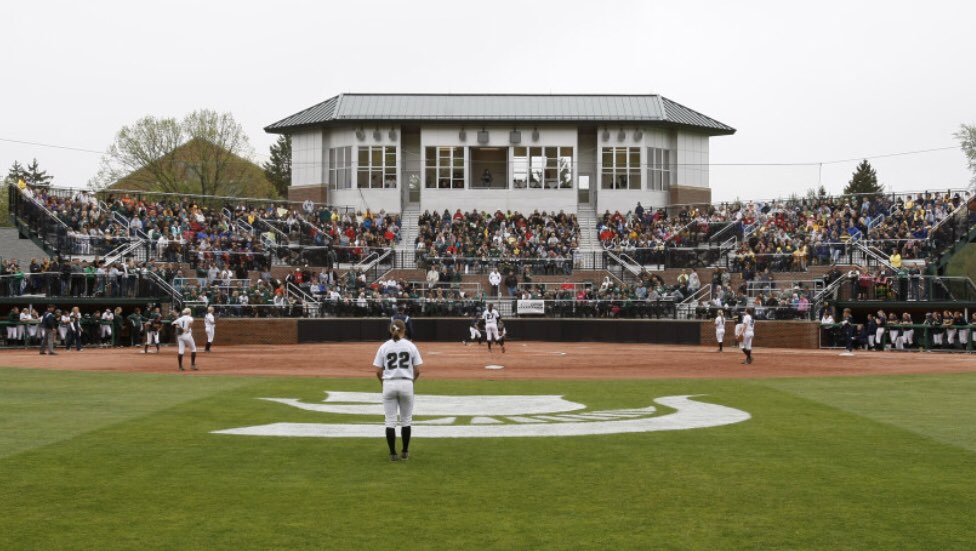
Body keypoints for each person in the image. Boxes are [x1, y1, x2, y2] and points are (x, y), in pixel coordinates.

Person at [372, 319, 422, 462]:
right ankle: (405, 451)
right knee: (406, 420)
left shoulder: (384, 347)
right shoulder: (411, 346)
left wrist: (383, 383)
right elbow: (417, 371)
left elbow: (378, 371)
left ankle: (393, 453)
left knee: (390, 421)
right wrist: (410, 383)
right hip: (406, 383)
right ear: (404, 330)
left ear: (390, 330)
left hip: (389, 383)